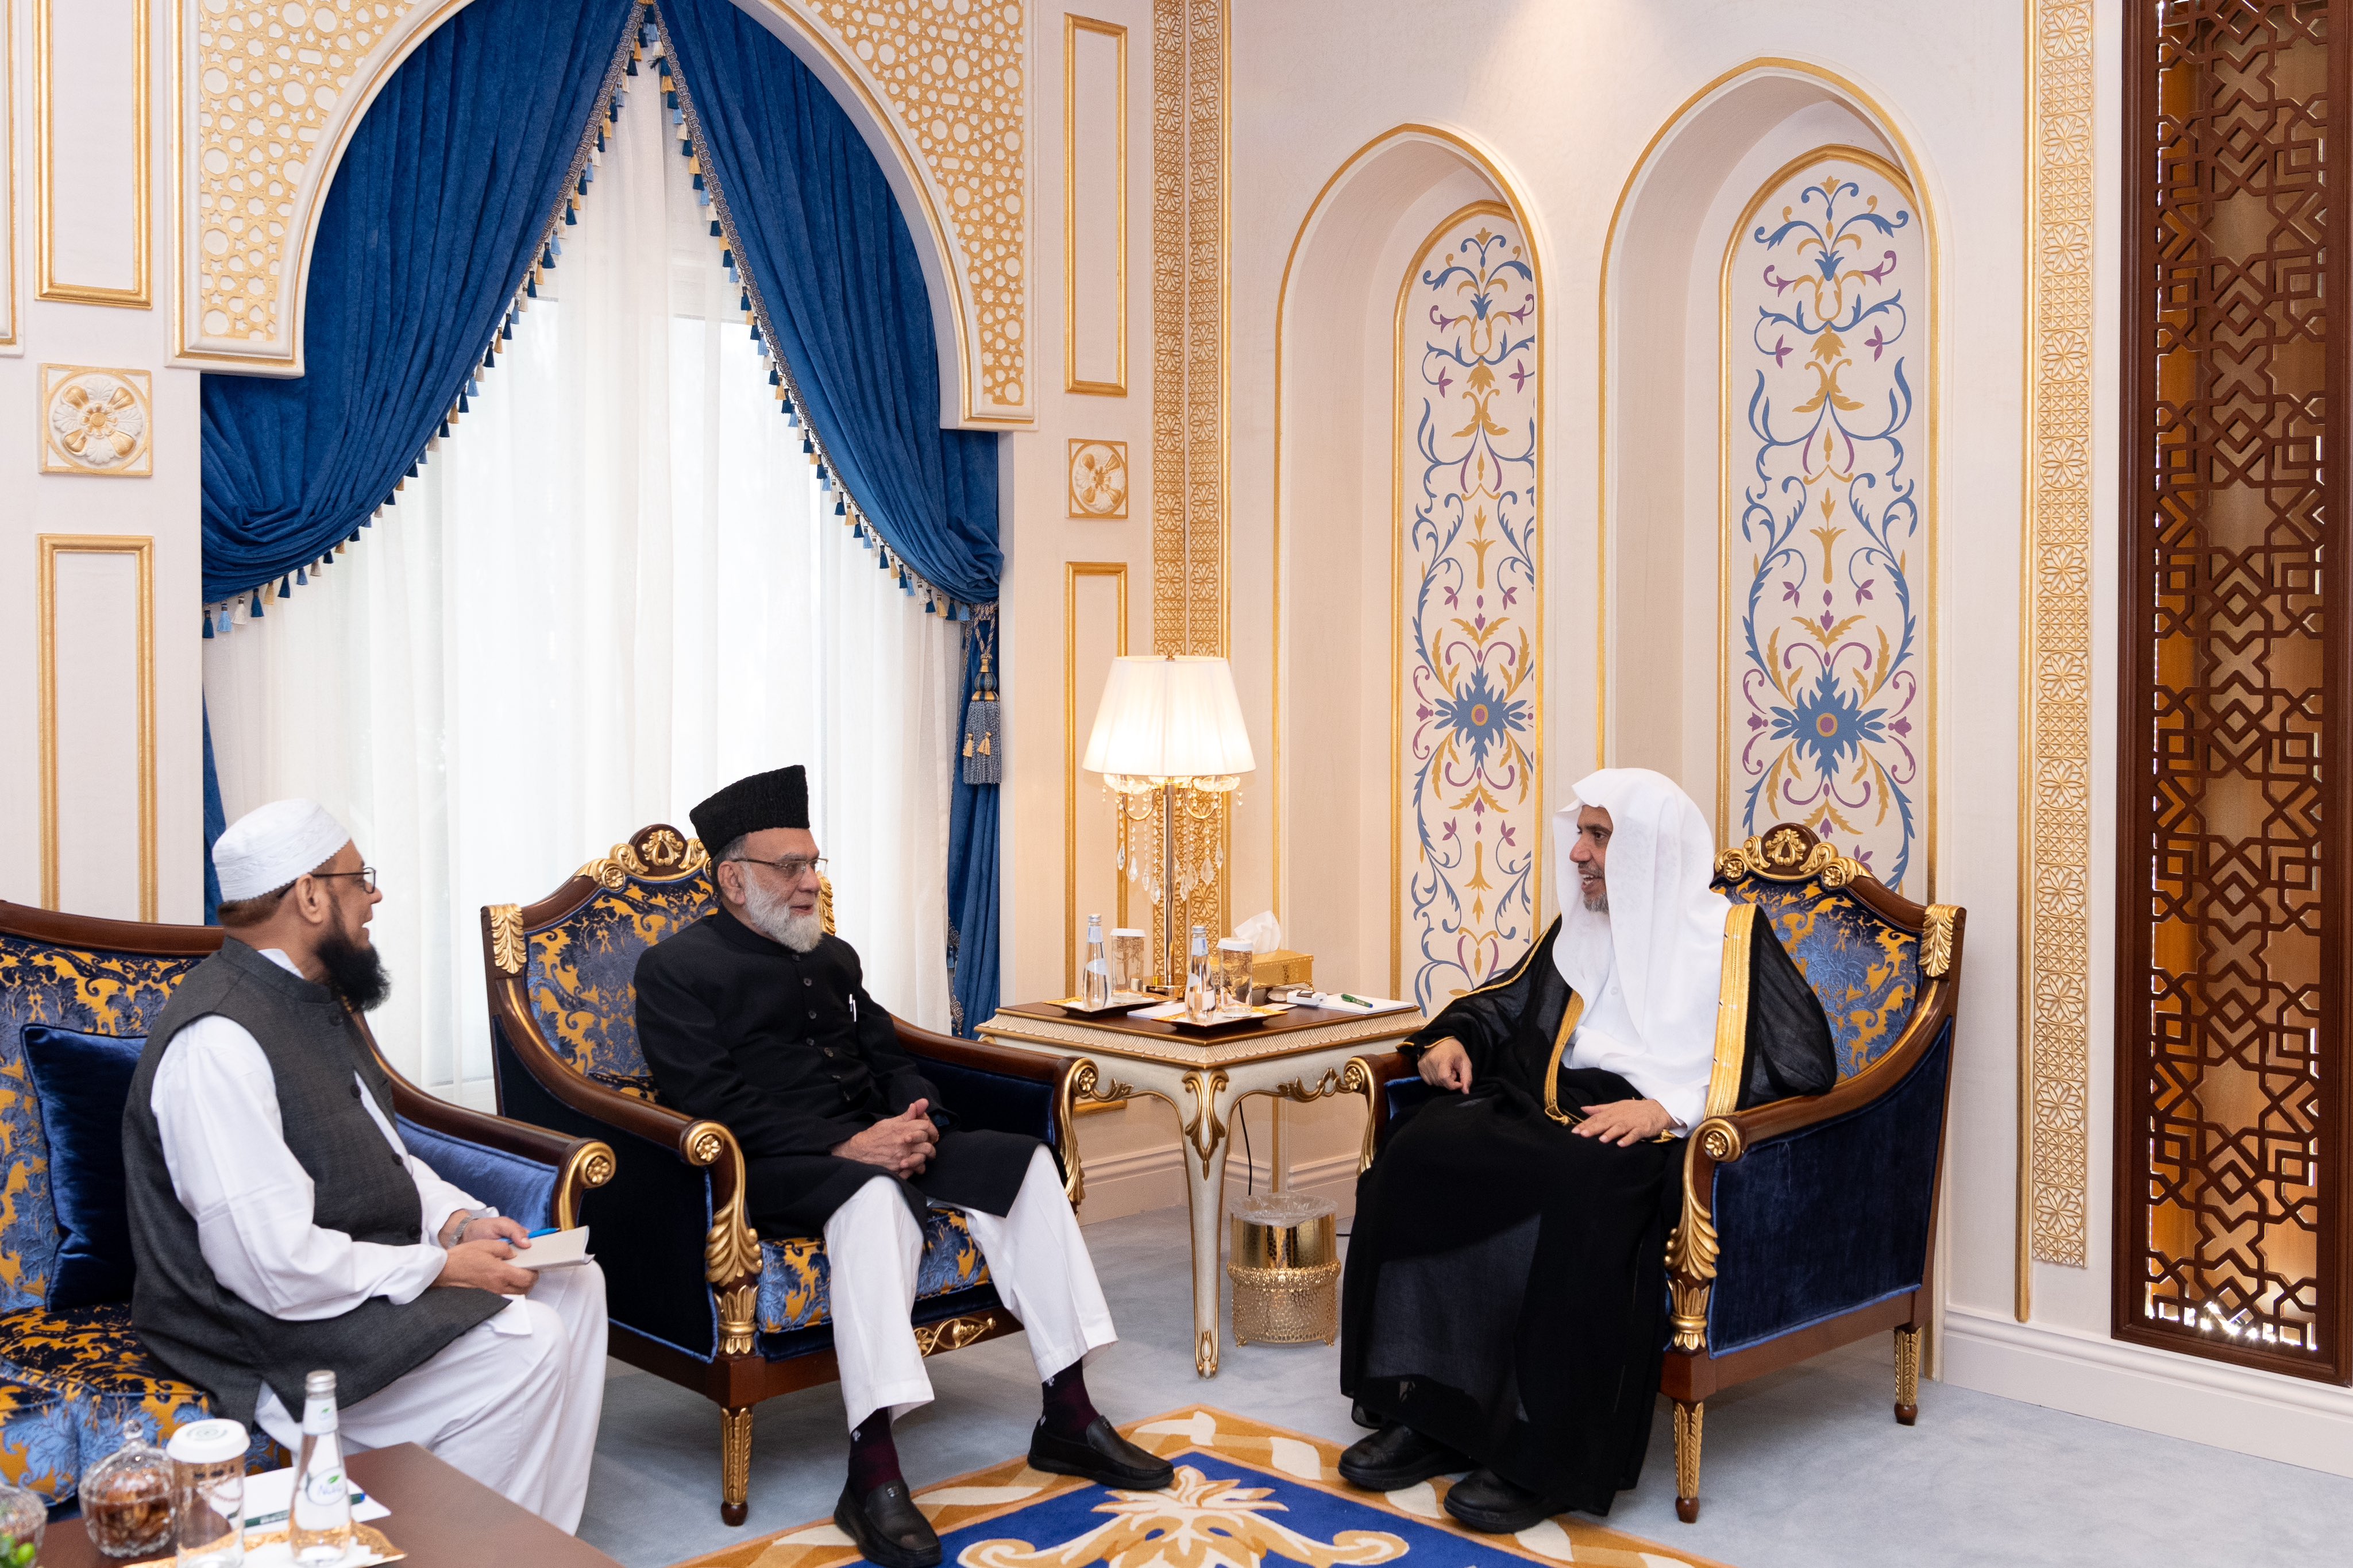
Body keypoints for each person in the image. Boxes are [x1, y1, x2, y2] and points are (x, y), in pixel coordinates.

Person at [634, 765, 1171, 1568]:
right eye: (792, 867)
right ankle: (873, 1471)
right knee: (877, 1197)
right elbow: (710, 1102)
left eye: (814, 863)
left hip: (878, 1142)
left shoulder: (833, 955)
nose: (812, 881)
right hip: (774, 1168)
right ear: (734, 880)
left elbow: (891, 1054)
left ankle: (1069, 1411)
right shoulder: (676, 970)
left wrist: (916, 1116)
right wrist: (851, 1146)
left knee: (1025, 1163)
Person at [1336, 768, 1835, 1530]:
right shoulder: (1587, 926)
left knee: (1578, 1194)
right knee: (1423, 1151)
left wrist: (1669, 1105)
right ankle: (1434, 1410)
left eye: (1599, 836)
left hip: (1652, 1132)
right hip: (1551, 1102)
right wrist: (1450, 1038)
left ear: (1649, 851)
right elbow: (1507, 1002)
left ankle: (1545, 1454)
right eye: (1583, 833)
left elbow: (1805, 1063)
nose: (1579, 853)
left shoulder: (1728, 938)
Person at [123, 800, 609, 1531]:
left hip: (344, 1285)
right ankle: (454, 1550)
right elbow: (269, 1268)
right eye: (360, 879)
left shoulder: (312, 1001)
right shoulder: (219, 1041)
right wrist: (439, 1270)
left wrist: (456, 1223)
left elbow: (385, 1149)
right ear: (311, 894)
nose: (374, 896)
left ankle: (534, 1543)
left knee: (574, 1283)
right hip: (263, 1337)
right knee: (527, 1345)